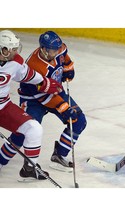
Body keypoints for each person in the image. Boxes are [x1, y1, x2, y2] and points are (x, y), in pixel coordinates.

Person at [10, 30, 87, 172]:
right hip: (33, 99)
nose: (56, 52)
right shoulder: (34, 65)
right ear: (43, 49)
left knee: (79, 121)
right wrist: (64, 108)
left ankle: (59, 156)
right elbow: (43, 97)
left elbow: (64, 58)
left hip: (55, 92)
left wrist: (68, 69)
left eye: (58, 49)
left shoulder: (59, 49)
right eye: (53, 50)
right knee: (24, 132)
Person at [0, 30, 63, 180]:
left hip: (3, 106)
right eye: (12, 49)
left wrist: (44, 83)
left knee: (34, 129)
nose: (16, 52)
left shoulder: (15, 62)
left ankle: (30, 168)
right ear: (3, 49)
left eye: (16, 49)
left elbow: (27, 74)